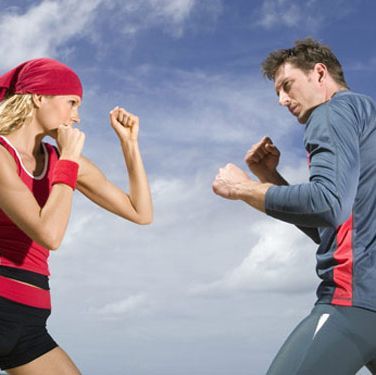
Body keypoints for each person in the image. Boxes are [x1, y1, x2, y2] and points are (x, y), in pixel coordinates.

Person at [212, 38, 376, 374]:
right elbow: (335, 228)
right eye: (277, 93)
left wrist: (241, 188)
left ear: (319, 73)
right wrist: (270, 179)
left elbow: (328, 205)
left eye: (287, 86)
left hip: (352, 300)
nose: (282, 100)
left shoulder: (331, 112)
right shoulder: (366, 114)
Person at [0, 58, 153, 374]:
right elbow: (49, 234)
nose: (77, 116)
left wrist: (130, 145)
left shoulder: (59, 160)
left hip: (29, 324)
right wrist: (68, 159)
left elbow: (141, 212)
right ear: (39, 97)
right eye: (71, 102)